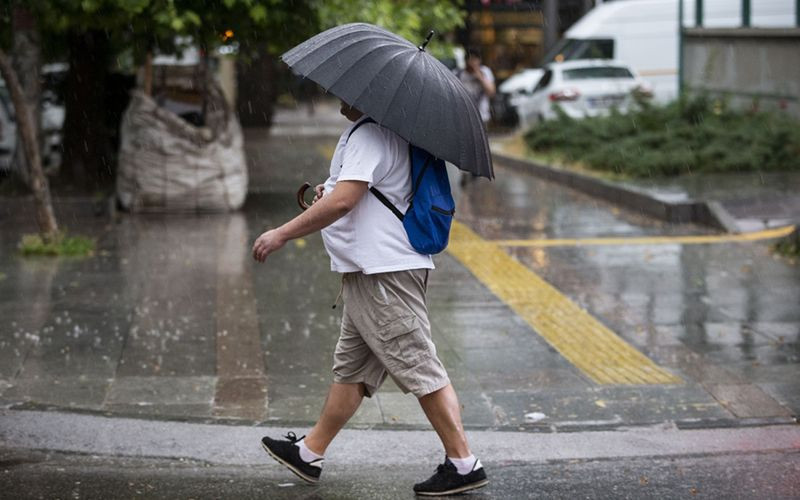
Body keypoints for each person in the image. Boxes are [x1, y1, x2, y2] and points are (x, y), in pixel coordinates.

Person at [252, 100, 488, 496]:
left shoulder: (370, 134)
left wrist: (282, 233)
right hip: (369, 272)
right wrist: (330, 191)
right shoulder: (389, 133)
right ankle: (309, 454)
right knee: (353, 371)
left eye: (344, 92)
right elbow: (359, 193)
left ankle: (463, 463)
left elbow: (346, 200)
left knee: (419, 365)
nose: (337, 97)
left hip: (383, 274)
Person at [454, 47, 496, 186]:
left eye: (475, 59)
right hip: (464, 117)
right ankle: (465, 171)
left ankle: (475, 169)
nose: (472, 62)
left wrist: (479, 76)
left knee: (478, 146)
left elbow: (491, 91)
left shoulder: (485, 72)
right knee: (465, 145)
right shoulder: (458, 74)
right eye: (470, 59)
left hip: (481, 117)